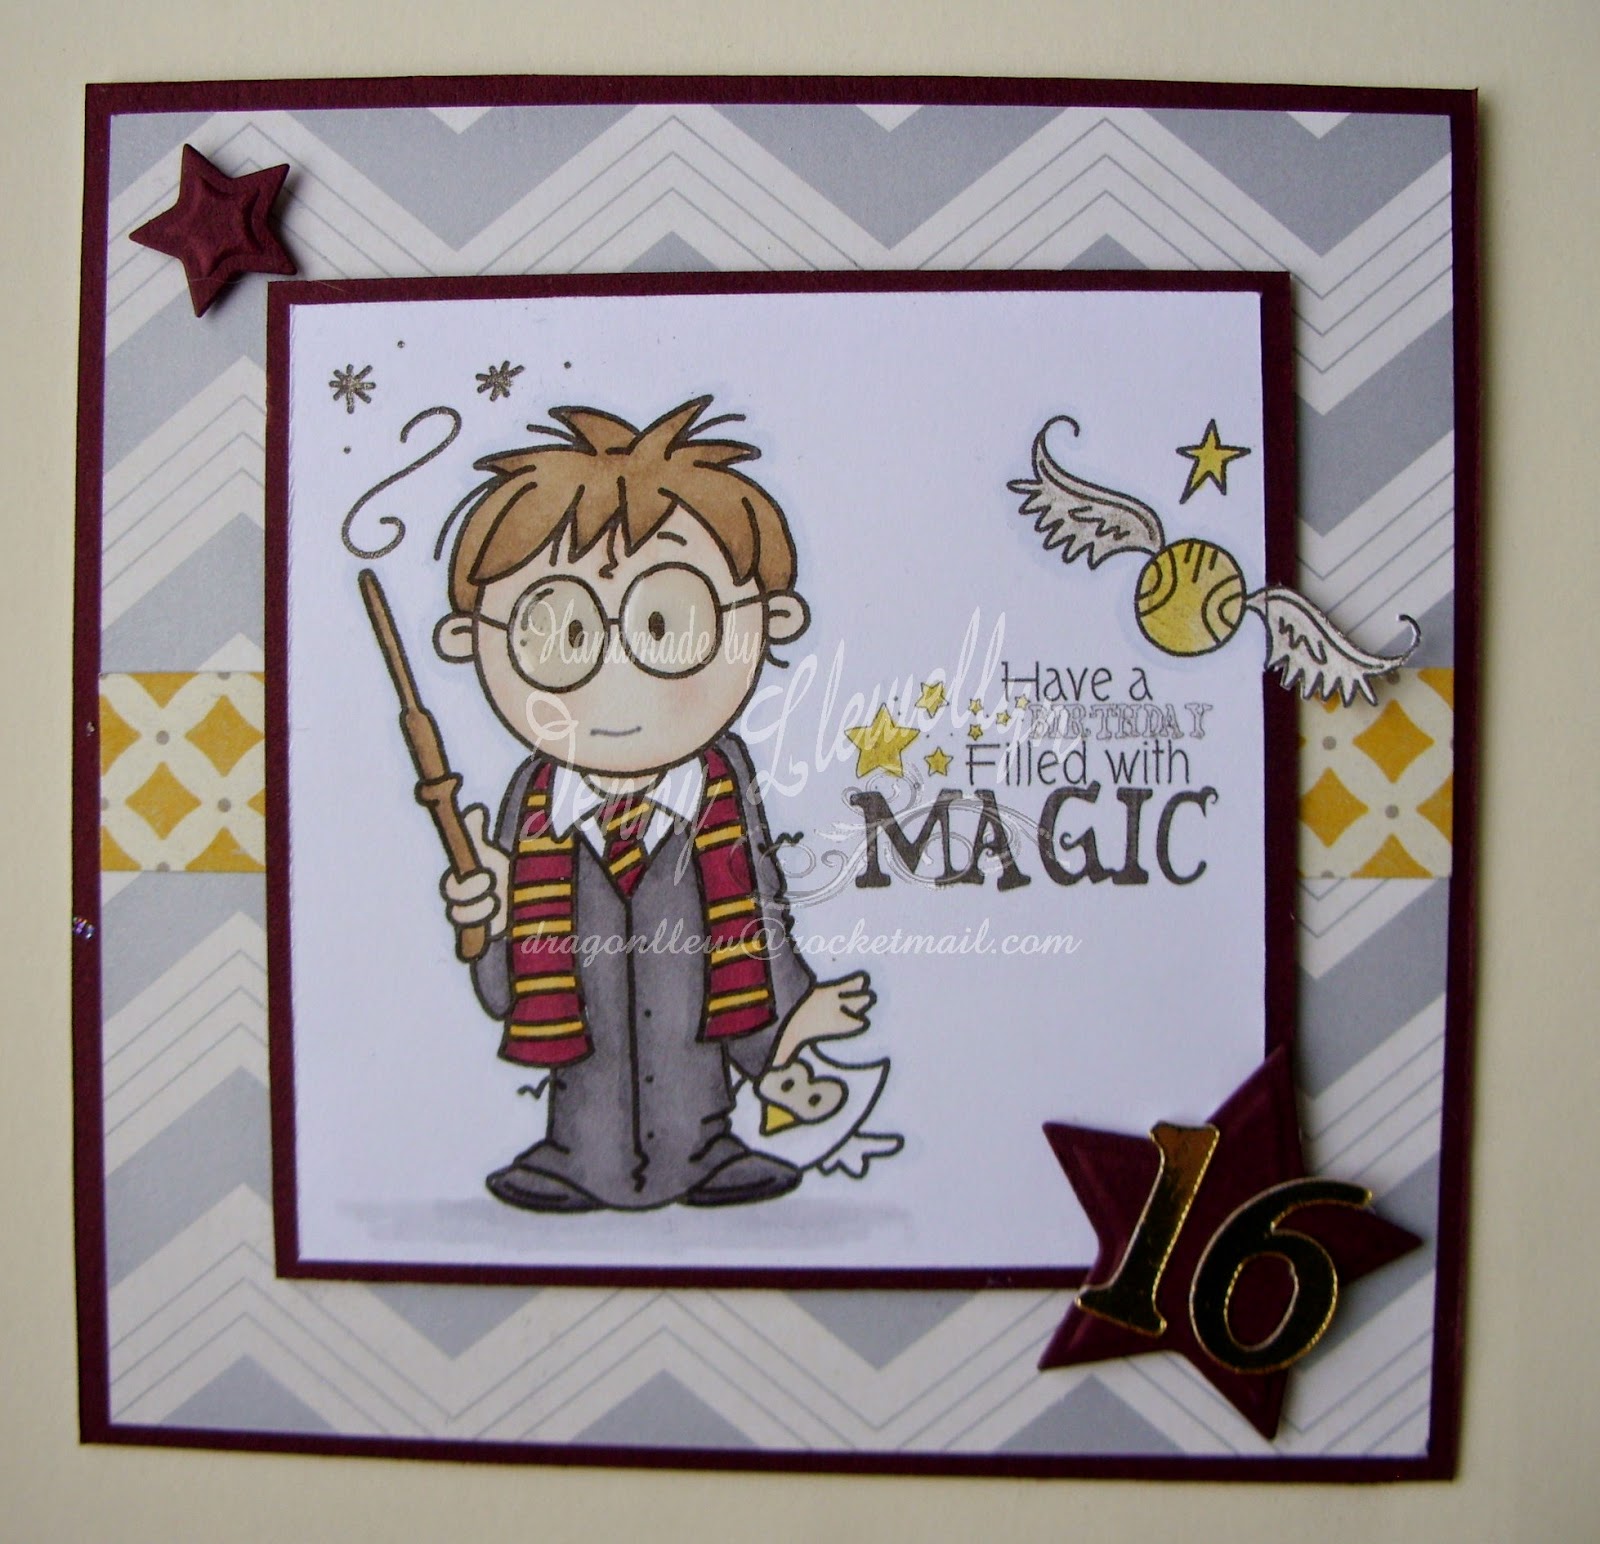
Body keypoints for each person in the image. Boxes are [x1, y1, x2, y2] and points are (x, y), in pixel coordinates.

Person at [434, 396, 874, 1212]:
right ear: (470, 639)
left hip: (698, 1061)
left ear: (771, 620)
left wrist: (794, 1013)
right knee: (591, 1066)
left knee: (686, 1043)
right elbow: (505, 985)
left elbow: (759, 903)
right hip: (580, 1098)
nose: (618, 677)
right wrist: (486, 919)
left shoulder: (721, 789)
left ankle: (703, 1147)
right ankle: (577, 1155)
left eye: (669, 625)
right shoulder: (533, 801)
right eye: (560, 633)